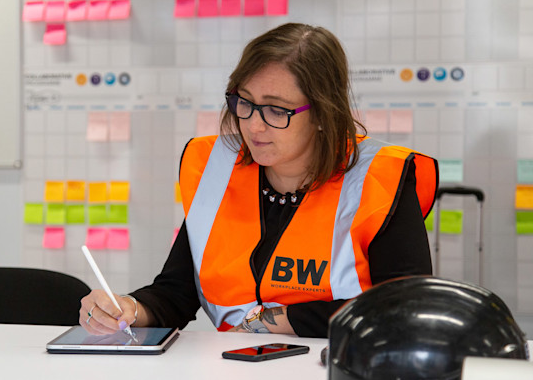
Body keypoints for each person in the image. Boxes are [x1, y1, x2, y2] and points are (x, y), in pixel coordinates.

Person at [79, 23, 439, 338]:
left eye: (276, 109)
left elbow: (406, 311)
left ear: (322, 113)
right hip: (239, 378)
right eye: (244, 102)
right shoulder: (217, 169)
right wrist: (130, 309)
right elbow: (177, 292)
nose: (253, 124)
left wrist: (281, 319)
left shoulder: (380, 179)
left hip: (343, 372)